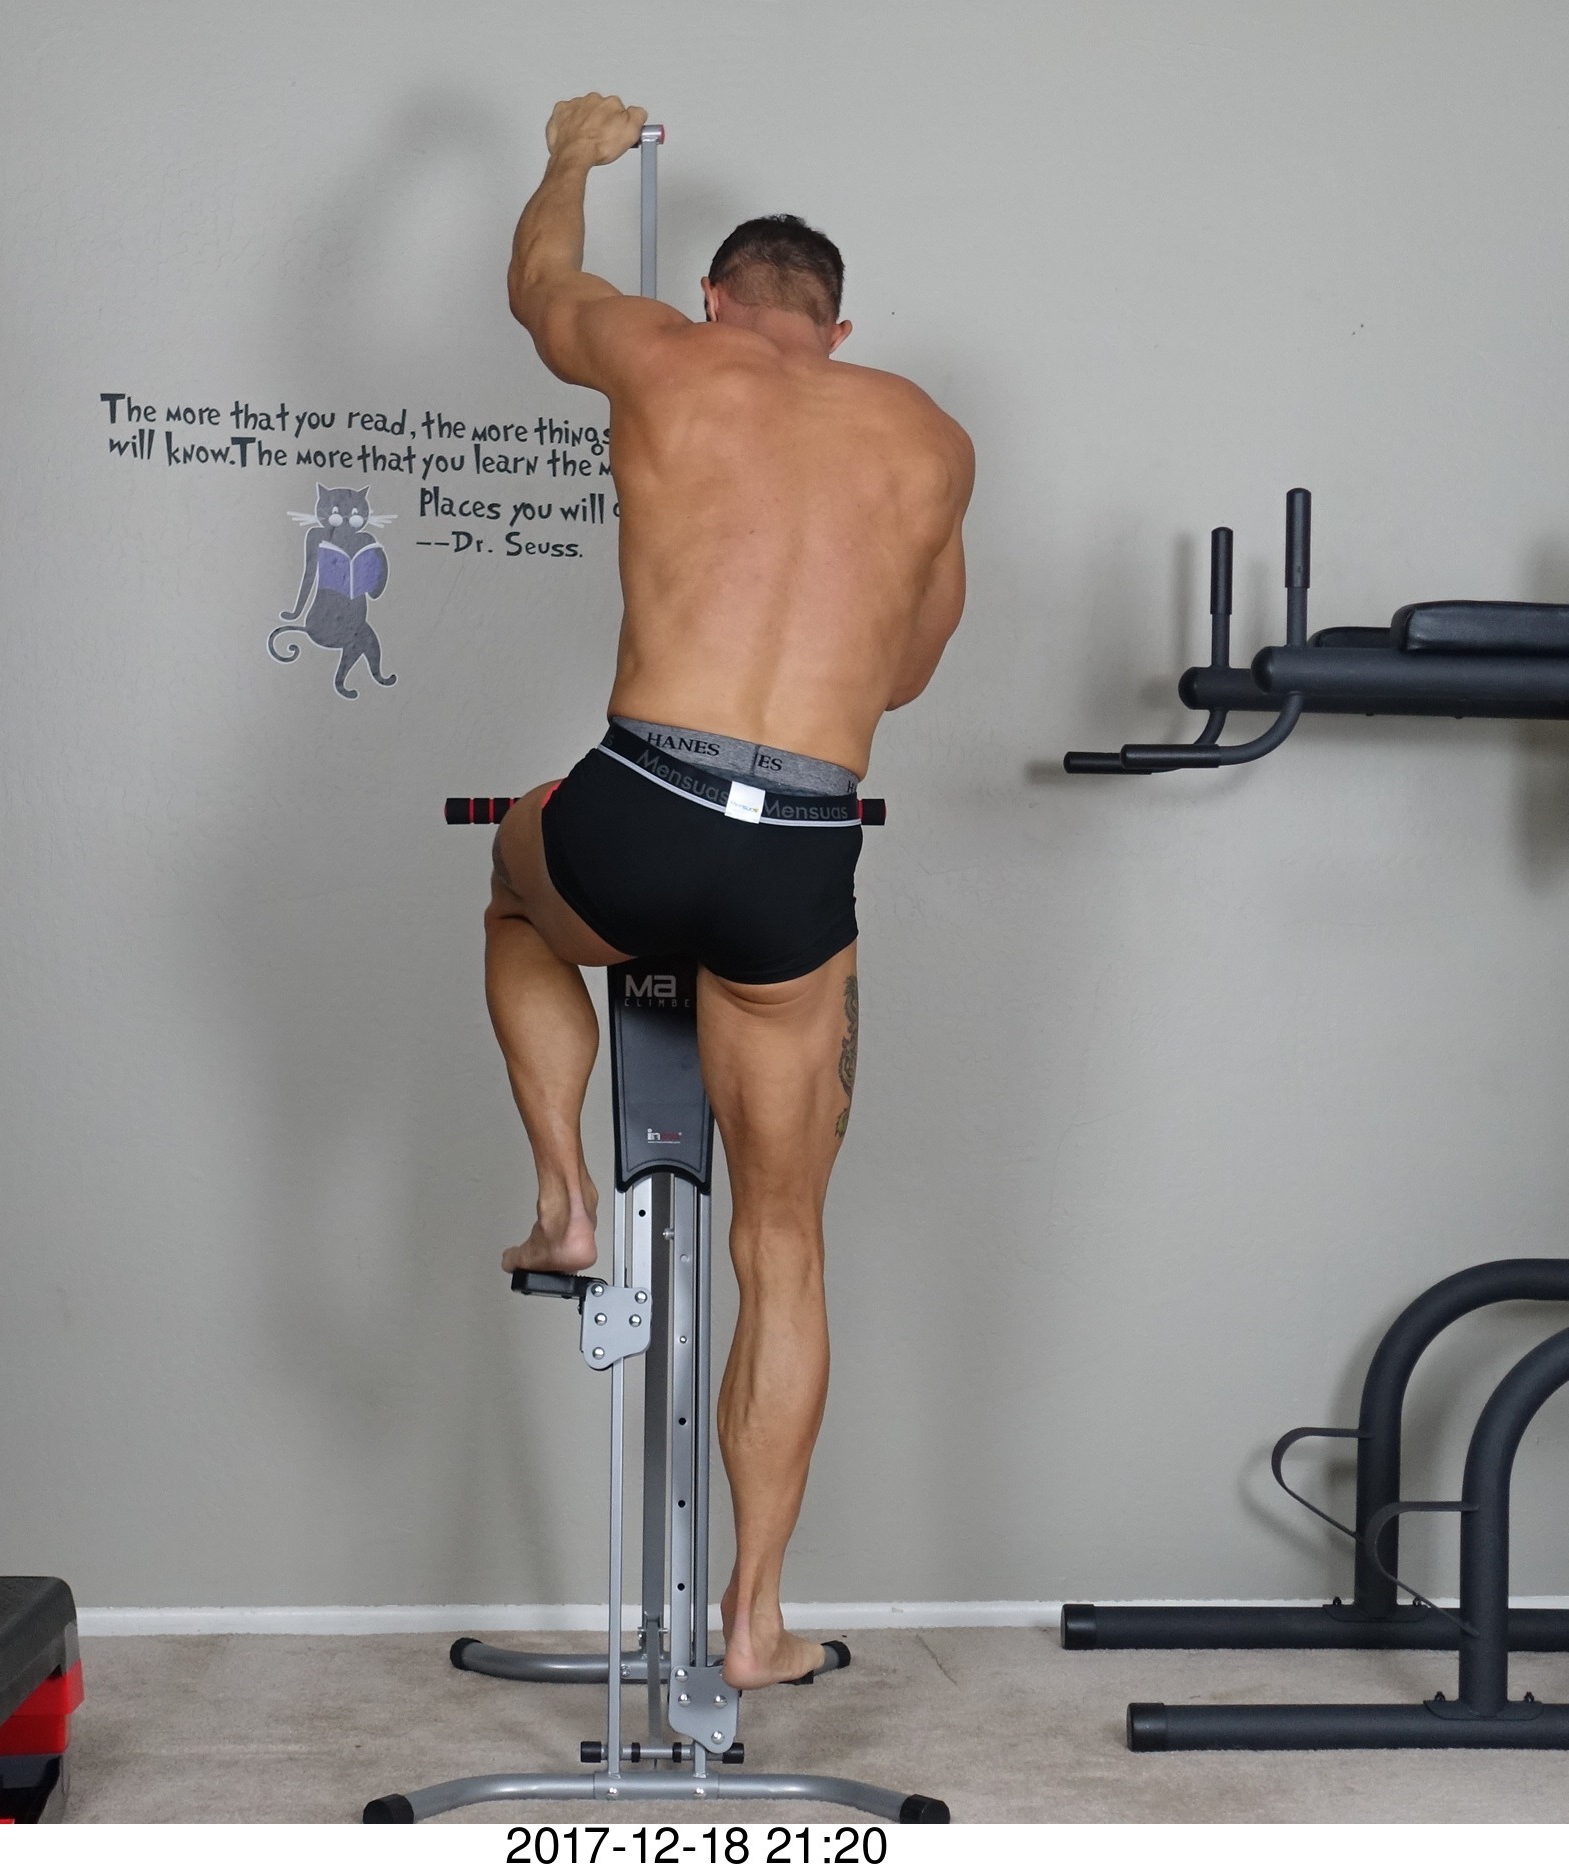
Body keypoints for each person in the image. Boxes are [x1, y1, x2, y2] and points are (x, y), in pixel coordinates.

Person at [482, 93, 973, 1691]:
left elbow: (537, 288)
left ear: (713, 300)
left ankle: (566, 1201)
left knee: (512, 889)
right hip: (799, 857)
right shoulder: (930, 438)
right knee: (786, 1243)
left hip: (641, 807)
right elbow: (905, 667)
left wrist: (569, 157)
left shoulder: (663, 355)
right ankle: (753, 1624)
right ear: (841, 330)